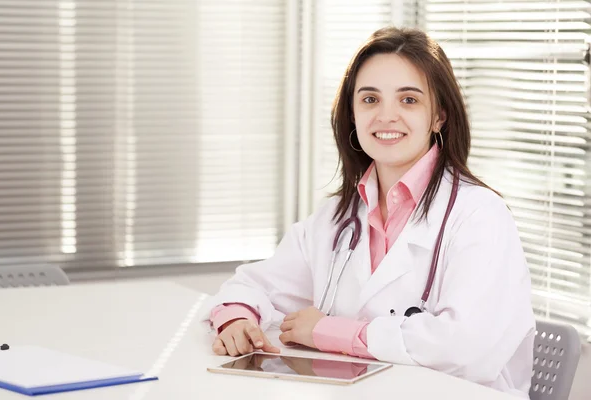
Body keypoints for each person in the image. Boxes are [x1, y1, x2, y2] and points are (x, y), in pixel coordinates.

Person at [199, 26, 535, 398]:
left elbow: (468, 349)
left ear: (439, 116)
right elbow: (255, 285)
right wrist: (236, 318)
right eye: (370, 99)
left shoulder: (479, 215)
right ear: (353, 114)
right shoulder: (339, 217)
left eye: (408, 100)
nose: (385, 116)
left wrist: (330, 331)